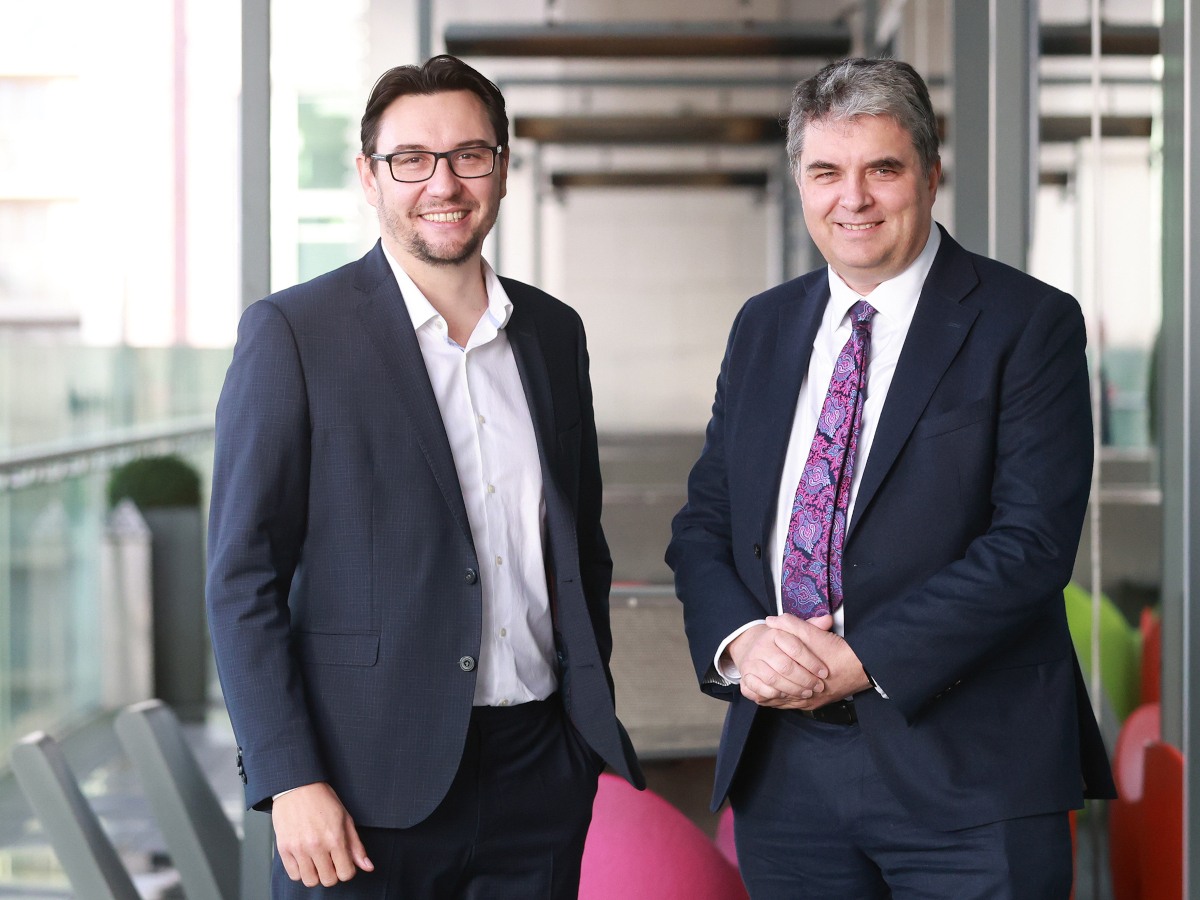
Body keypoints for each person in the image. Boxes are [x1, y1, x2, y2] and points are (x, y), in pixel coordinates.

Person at [666, 57, 1115, 898]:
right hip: (787, 774)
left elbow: (1030, 546)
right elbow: (706, 521)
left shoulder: (1028, 325)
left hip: (970, 778)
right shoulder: (763, 327)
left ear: (932, 175)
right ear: (800, 181)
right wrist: (745, 644)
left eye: (883, 169)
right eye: (826, 172)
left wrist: (862, 659)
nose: (854, 198)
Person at [207, 54, 642, 898]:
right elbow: (241, 579)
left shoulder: (554, 335)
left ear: (504, 171)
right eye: (412, 159)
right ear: (370, 176)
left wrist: (580, 742)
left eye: (469, 155)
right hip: (358, 794)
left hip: (538, 781)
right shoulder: (293, 334)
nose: (442, 183)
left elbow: (577, 543)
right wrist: (289, 776)